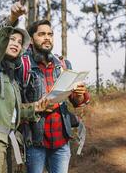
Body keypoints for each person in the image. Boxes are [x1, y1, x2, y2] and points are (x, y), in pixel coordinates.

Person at [0, 2, 50, 173]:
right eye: (12, 39)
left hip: (7, 141)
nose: (16, 43)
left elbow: (12, 113)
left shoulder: (11, 78)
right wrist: (12, 18)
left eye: (20, 42)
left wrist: (35, 107)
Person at [16, 19, 91, 173]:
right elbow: (13, 107)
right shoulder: (23, 66)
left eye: (50, 34)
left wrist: (79, 94)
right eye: (42, 34)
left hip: (61, 141)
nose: (47, 37)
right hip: (35, 142)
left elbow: (77, 102)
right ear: (31, 39)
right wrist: (36, 107)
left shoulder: (63, 64)